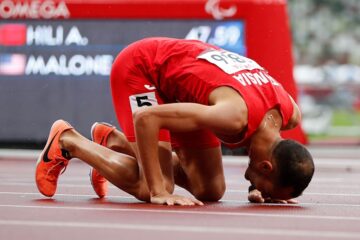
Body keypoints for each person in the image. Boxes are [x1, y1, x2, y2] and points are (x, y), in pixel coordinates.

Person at [35, 37, 314, 206]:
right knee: (153, 185)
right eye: (267, 190)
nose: (263, 194)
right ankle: (68, 140)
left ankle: (115, 142)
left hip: (182, 85)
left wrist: (262, 185)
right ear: (266, 166)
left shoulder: (288, 113)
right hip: (142, 68)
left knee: (210, 190)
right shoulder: (233, 116)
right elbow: (146, 118)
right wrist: (158, 191)